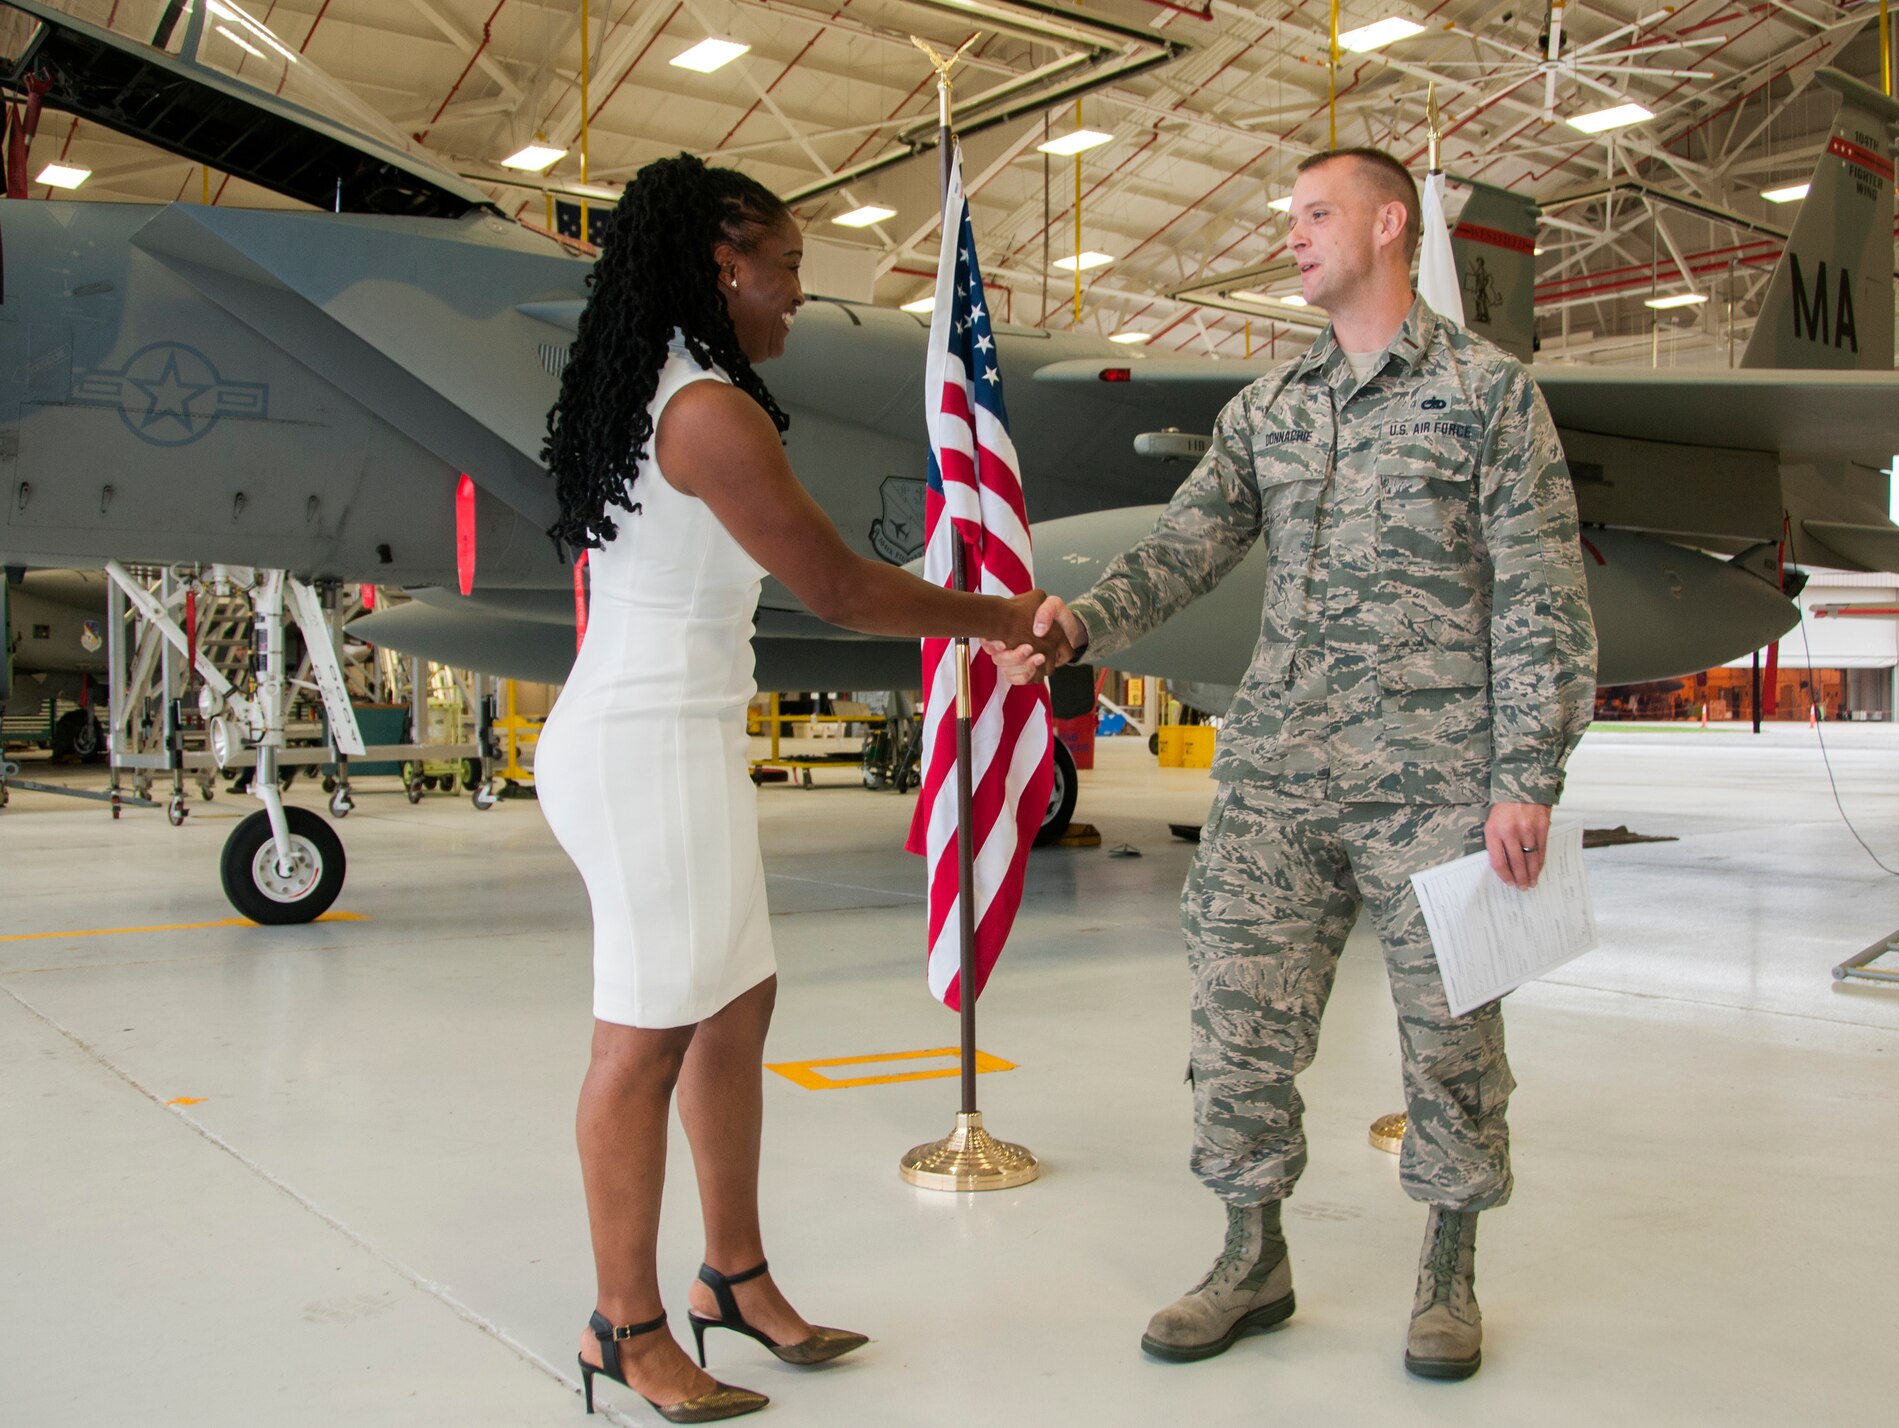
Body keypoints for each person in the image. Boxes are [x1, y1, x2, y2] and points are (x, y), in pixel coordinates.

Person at [988, 147, 1596, 1380]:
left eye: (1316, 215)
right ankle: (1249, 1256)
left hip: (1434, 778)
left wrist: (1524, 774)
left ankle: (1444, 1273)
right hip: (1277, 774)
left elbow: (1540, 593)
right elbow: (1188, 544)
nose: (1293, 238)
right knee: (1237, 1021)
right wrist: (1079, 622)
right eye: (1290, 219)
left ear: (1387, 224)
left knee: (1450, 1036)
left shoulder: (1486, 394)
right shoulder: (1268, 408)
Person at [536, 153, 1066, 1423]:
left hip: (681, 734)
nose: (792, 300)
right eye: (783, 272)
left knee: (735, 1004)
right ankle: (624, 1325)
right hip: (640, 744)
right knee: (645, 1038)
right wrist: (1001, 612)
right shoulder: (707, 410)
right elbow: (837, 589)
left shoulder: (677, 384)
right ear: (725, 265)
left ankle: (734, 1278)